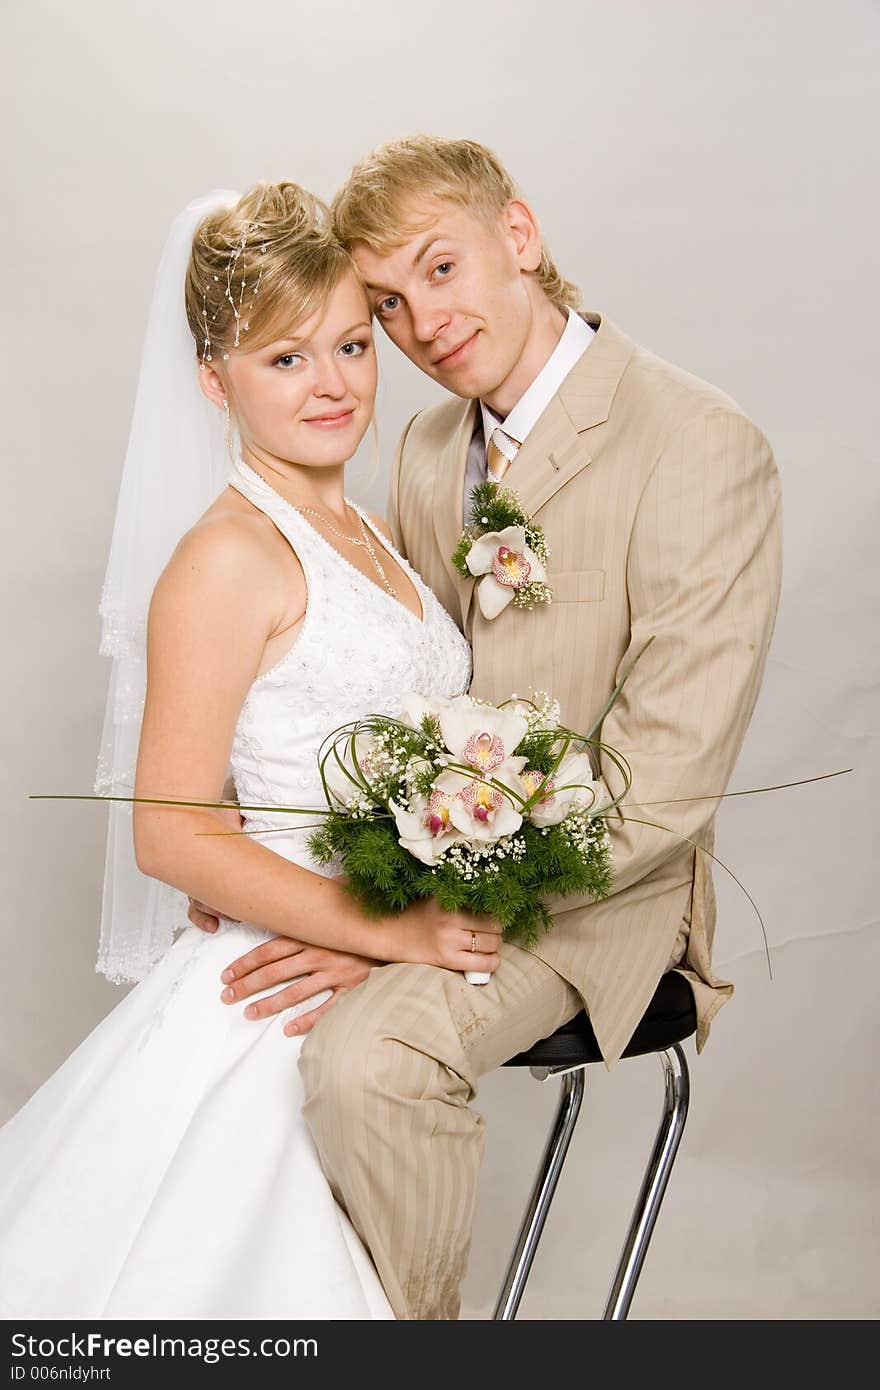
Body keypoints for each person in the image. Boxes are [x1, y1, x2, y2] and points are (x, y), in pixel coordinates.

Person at [200, 137, 783, 1321]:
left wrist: (399, 927)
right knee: (231, 1035)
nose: (424, 323)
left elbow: (663, 789)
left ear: (517, 237)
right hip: (424, 867)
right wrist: (242, 818)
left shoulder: (697, 442)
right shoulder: (419, 449)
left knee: (367, 1059)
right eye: (389, 306)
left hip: (600, 897)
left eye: (443, 269)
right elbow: (364, 676)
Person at [0, 180, 488, 1319]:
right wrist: (393, 929)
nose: (333, 385)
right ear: (214, 381)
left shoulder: (364, 528)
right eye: (285, 360)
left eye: (353, 346)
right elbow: (170, 830)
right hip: (279, 989)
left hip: (361, 963)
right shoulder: (227, 555)